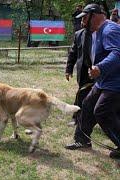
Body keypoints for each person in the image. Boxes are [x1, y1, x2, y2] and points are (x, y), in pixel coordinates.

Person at [65, 4, 120, 160]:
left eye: (84, 18)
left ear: (93, 16)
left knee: (102, 112)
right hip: (104, 81)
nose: (82, 23)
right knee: (88, 105)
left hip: (115, 82)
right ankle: (82, 140)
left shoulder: (110, 30)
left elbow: (117, 53)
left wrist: (100, 68)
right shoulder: (100, 31)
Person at [65, 21, 94, 126]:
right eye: (81, 20)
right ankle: (76, 118)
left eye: (85, 19)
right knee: (81, 94)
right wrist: (69, 69)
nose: (82, 22)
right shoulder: (79, 34)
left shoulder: (99, 33)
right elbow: (73, 53)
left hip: (98, 69)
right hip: (83, 71)